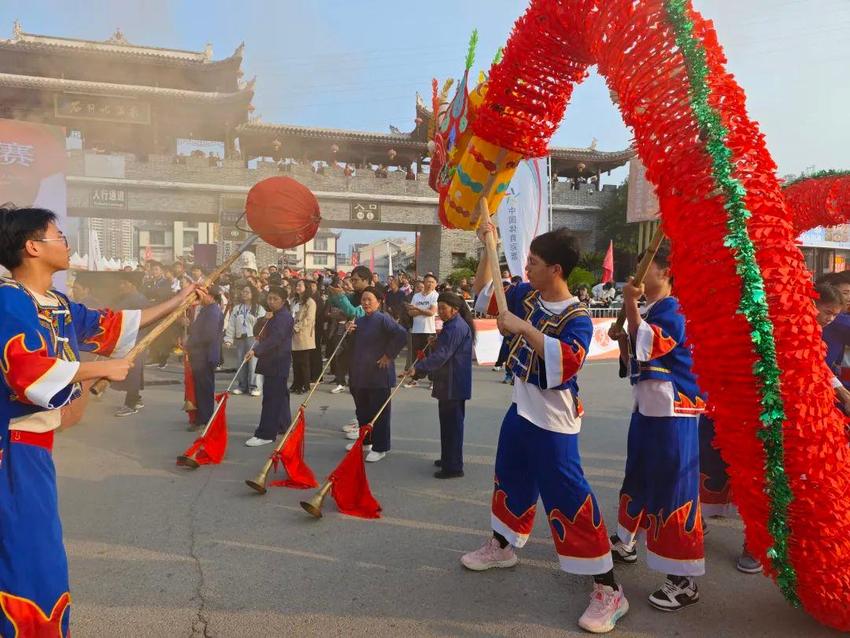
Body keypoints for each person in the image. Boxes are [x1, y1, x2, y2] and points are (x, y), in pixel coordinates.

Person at [0, 206, 198, 637]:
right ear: (33, 247)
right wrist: (97, 371)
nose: (66, 242)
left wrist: (180, 300)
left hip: (34, 450)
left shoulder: (59, 305)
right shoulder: (7, 301)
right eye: (59, 235)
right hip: (9, 451)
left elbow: (113, 326)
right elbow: (26, 372)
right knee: (29, 556)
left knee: (34, 553)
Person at [464, 223, 626, 634]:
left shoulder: (578, 318)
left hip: (554, 421)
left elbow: (566, 363)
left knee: (569, 496)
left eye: (533, 263)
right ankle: (503, 545)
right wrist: (489, 247)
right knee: (510, 477)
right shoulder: (525, 294)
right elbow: (486, 294)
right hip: (521, 409)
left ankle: (608, 587)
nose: (526, 268)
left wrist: (524, 328)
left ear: (555, 269)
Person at [608, 241, 704, 613]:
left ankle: (683, 580)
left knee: (672, 489)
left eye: (644, 267)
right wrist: (623, 339)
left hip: (673, 412)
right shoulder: (653, 309)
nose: (636, 274)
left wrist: (630, 305)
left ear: (665, 272)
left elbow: (649, 346)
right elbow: (635, 360)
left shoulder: (675, 311)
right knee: (638, 476)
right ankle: (626, 540)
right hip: (648, 408)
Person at [408, 291, 474, 479]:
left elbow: (442, 356)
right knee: (448, 424)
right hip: (450, 381)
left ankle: (453, 467)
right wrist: (436, 342)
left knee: (452, 426)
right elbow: (444, 349)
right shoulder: (452, 325)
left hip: (453, 383)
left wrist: (418, 370)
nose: (441, 312)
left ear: (454, 309)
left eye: (444, 309)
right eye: (440, 308)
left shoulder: (455, 327)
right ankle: (448, 458)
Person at [344, 287, 407, 463]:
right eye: (363, 300)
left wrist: (389, 355)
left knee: (379, 412)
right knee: (362, 411)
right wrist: (349, 332)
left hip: (378, 374)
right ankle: (365, 441)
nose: (365, 303)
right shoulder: (360, 320)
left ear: (379, 302)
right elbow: (353, 345)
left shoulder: (383, 319)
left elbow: (401, 335)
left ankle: (380, 447)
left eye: (369, 300)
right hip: (360, 373)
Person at [245, 287, 294, 447]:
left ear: (283, 300)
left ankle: (266, 433)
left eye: (275, 299)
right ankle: (283, 425)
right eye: (270, 298)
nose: (271, 302)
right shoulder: (273, 316)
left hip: (277, 361)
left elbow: (275, 339)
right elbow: (258, 332)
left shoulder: (284, 317)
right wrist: (263, 320)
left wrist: (255, 350)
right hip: (272, 361)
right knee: (280, 396)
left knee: (271, 399)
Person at [184, 285, 224, 430]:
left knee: (205, 388)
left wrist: (191, 342)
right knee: (200, 387)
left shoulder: (213, 311)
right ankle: (202, 417)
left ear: (211, 297)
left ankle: (205, 419)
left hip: (204, 355)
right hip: (200, 355)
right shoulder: (207, 310)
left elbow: (208, 335)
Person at [113, 273, 150, 417]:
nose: (120, 286)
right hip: (131, 339)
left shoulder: (138, 300)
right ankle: (137, 399)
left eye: (123, 283)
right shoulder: (129, 298)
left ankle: (130, 404)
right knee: (134, 372)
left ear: (131, 285)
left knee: (133, 373)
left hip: (136, 340)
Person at [224, 285, 265, 396]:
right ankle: (242, 386)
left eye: (247, 292)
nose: (244, 294)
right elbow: (231, 324)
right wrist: (228, 339)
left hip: (253, 338)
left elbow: (263, 324)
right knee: (241, 363)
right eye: (243, 291)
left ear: (253, 294)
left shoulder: (259, 309)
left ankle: (255, 386)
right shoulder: (237, 308)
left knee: (254, 363)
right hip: (240, 338)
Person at [405, 273, 439, 388]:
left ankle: (433, 380)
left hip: (429, 330)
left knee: (430, 356)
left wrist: (417, 309)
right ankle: (415, 379)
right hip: (416, 330)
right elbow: (410, 312)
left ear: (436, 284)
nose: (429, 284)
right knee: (418, 356)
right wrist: (422, 310)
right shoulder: (416, 296)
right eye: (427, 281)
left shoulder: (435, 296)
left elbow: (431, 312)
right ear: (423, 283)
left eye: (432, 282)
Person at [291, 280, 317, 394]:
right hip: (293, 334)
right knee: (295, 362)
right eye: (297, 285)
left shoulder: (310, 302)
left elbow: (309, 318)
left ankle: (305, 385)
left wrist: (296, 327)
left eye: (300, 285)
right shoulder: (294, 301)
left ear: (306, 287)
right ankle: (296, 383)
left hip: (304, 334)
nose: (297, 287)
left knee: (304, 362)